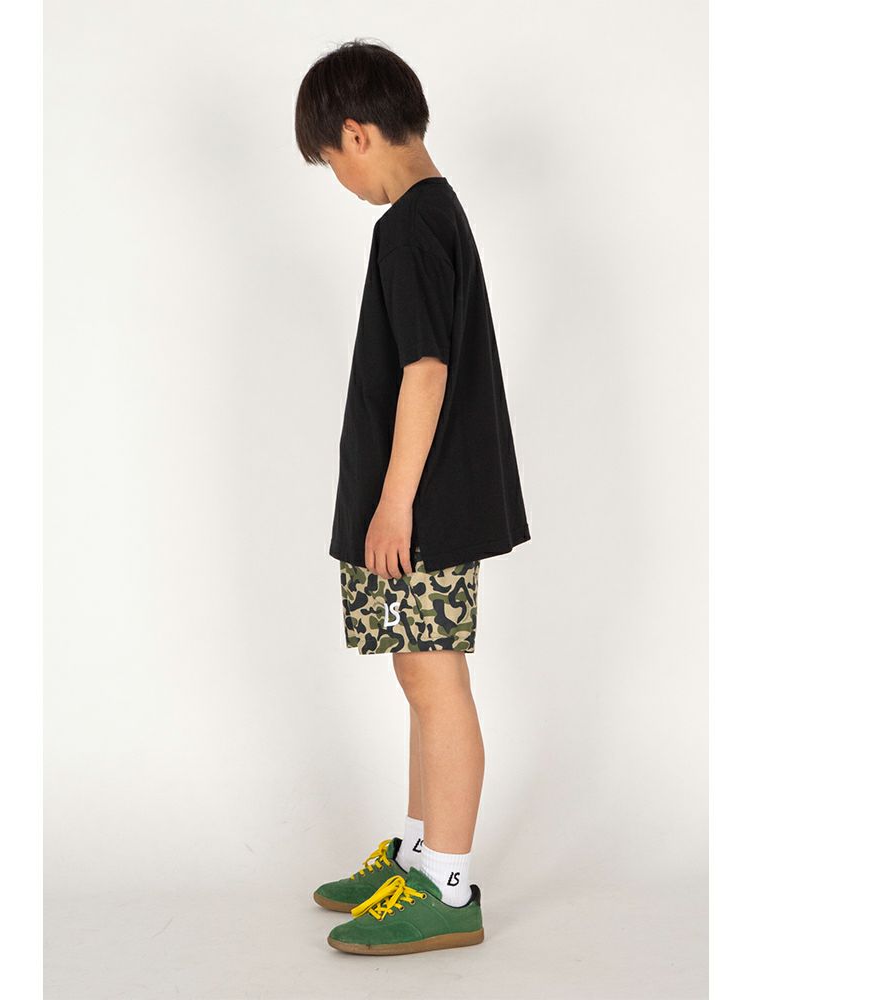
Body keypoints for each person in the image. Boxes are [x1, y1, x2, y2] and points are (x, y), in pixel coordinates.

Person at [294, 39, 530, 956]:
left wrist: (394, 505)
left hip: (421, 507)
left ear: (357, 134)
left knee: (436, 683)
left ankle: (449, 888)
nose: (342, 182)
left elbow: (425, 371)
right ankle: (419, 855)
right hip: (422, 502)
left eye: (332, 162)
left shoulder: (409, 226)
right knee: (419, 677)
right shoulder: (435, 214)